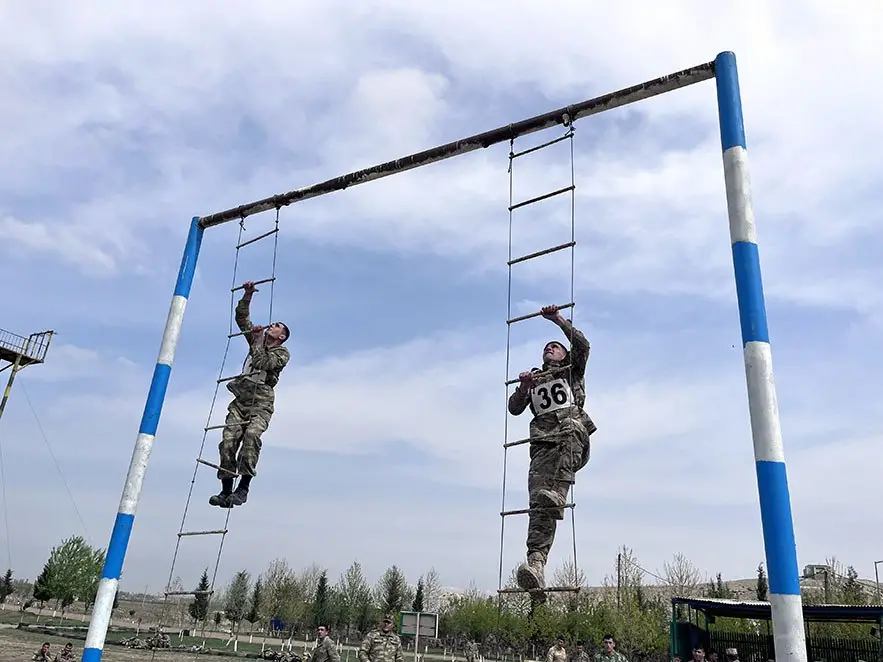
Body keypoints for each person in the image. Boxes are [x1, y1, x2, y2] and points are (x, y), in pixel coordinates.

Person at [507, 304, 596, 595]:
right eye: (547, 347)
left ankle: (560, 493)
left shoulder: (573, 369)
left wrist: (557, 320)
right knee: (538, 506)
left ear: (565, 354)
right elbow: (515, 408)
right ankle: (536, 564)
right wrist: (523, 388)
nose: (550, 348)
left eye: (556, 347)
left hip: (572, 438)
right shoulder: (536, 379)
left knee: (570, 426)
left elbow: (582, 345)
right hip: (543, 444)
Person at [209, 280, 290, 508]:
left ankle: (243, 487)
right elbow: (241, 319)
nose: (270, 326)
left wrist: (256, 340)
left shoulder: (283, 352)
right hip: (241, 400)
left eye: (276, 326)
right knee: (227, 441)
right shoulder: (257, 340)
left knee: (252, 436)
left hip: (261, 404)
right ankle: (226, 491)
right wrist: (247, 296)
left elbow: (262, 361)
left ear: (281, 336)